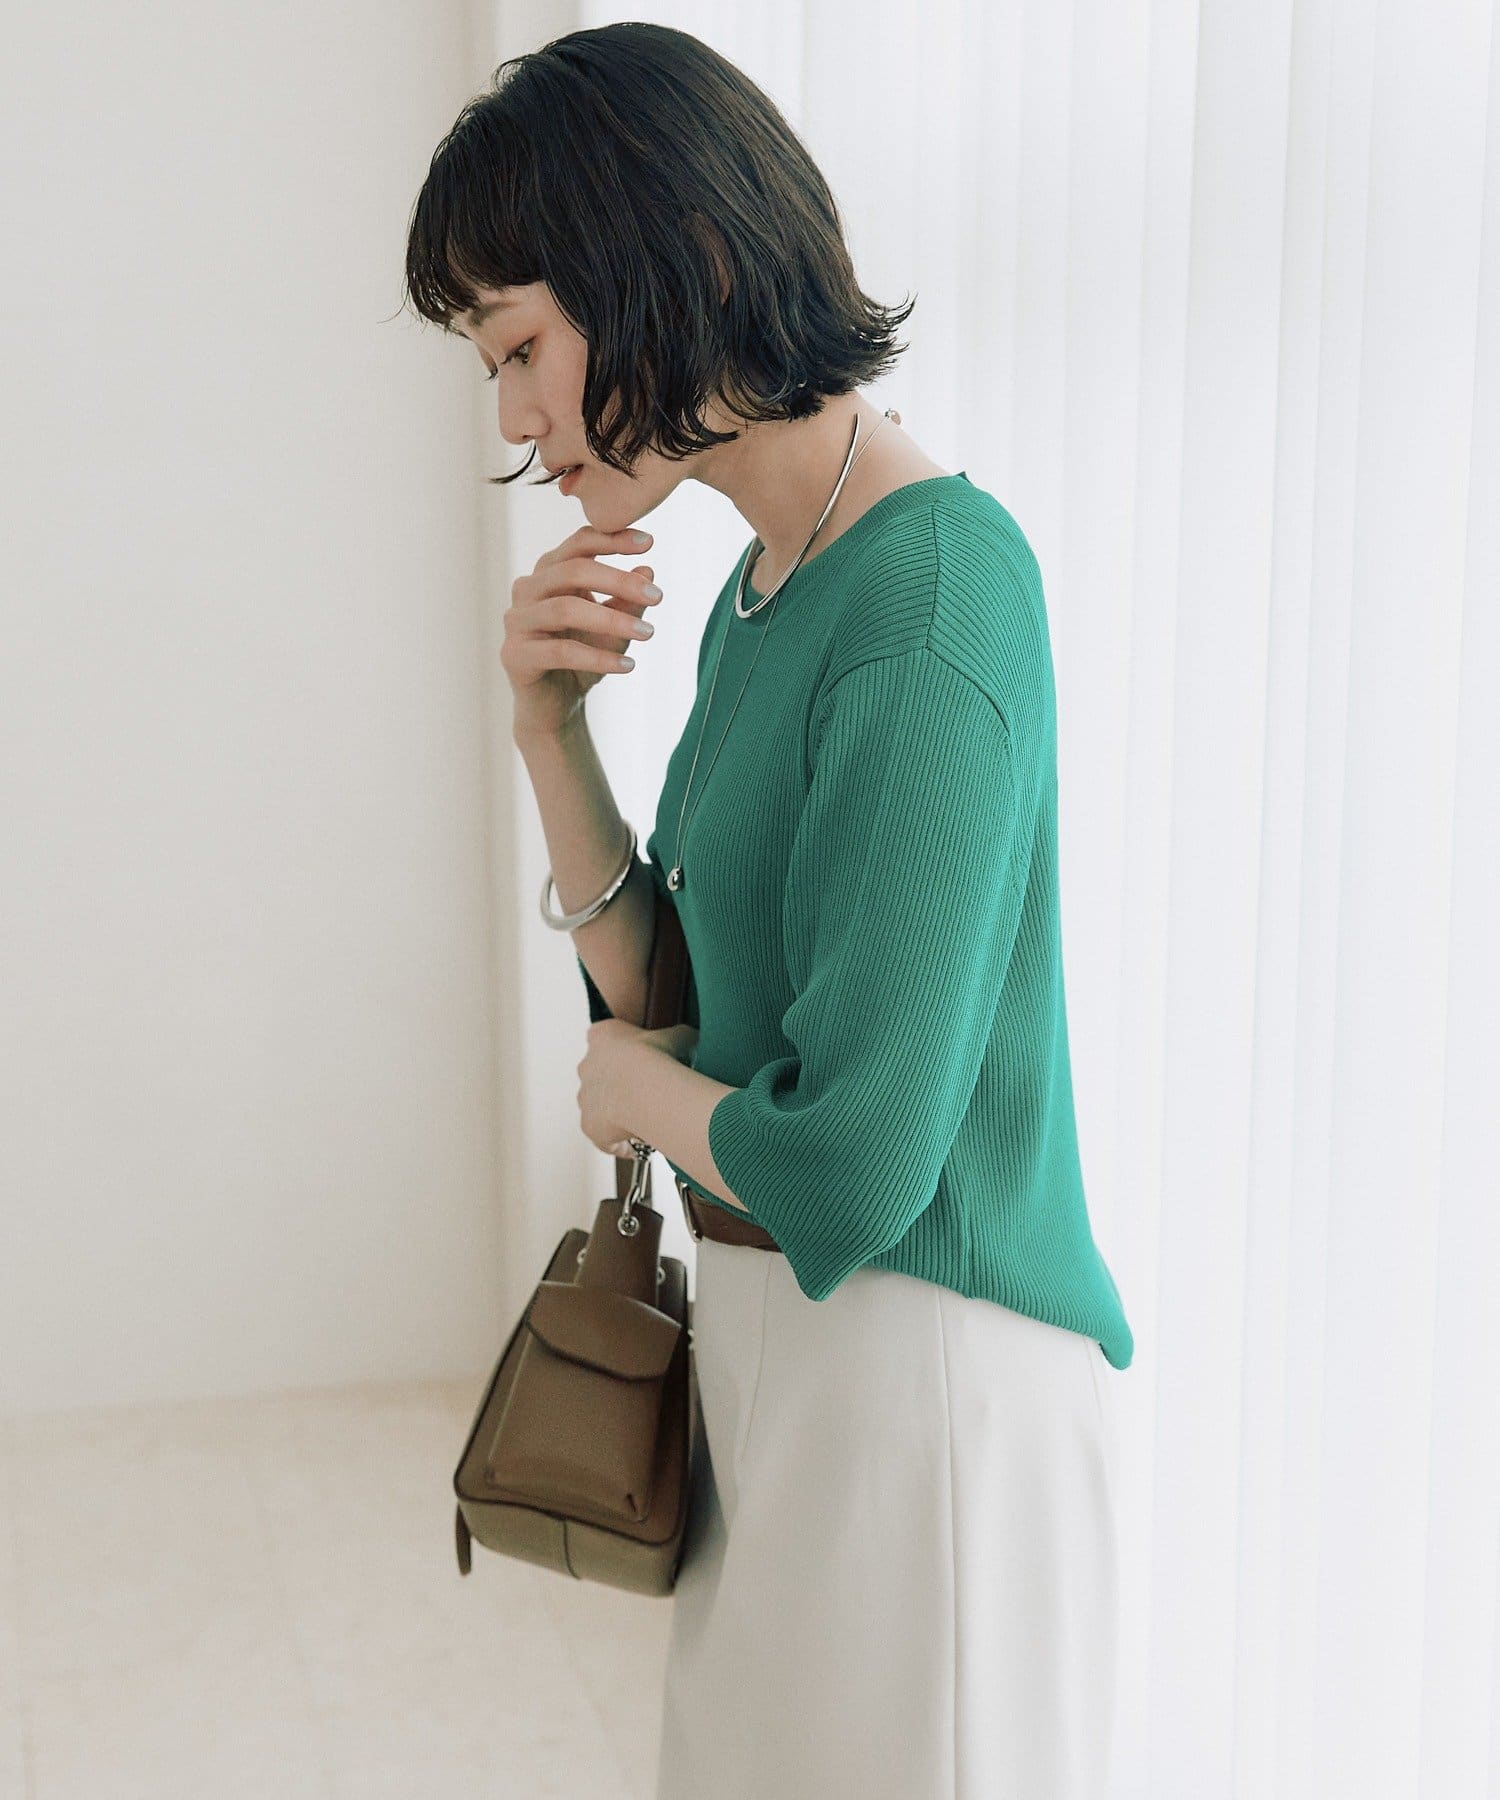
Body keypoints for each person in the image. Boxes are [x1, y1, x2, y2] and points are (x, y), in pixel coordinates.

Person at [405, 22, 1133, 1799]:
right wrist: (548, 731)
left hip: (926, 1397)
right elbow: (683, 986)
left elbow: (856, 1160)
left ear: (677, 259)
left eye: (522, 347)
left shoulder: (937, 596)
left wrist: (635, 1093)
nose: (513, 418)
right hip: (787, 1368)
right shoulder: (772, 583)